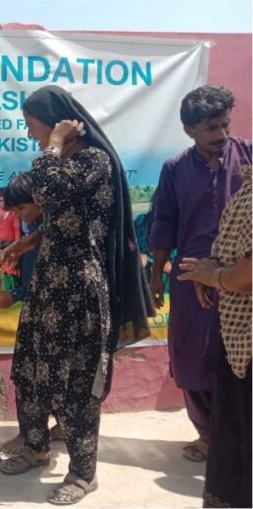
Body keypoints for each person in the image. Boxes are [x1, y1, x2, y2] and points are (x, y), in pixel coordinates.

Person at [0, 85, 153, 505]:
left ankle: (84, 474)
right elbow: (65, 217)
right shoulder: (68, 163)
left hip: (80, 289)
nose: (32, 136)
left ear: (58, 121)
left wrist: (54, 142)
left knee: (78, 381)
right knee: (30, 367)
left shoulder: (93, 160)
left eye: (34, 127)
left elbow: (48, 191)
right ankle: (35, 446)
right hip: (49, 284)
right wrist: (29, 242)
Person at [149, 84, 251, 462]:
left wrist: (223, 272)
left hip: (241, 279)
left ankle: (237, 436)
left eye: (225, 125)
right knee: (192, 355)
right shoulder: (175, 169)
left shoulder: (249, 158)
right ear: (189, 130)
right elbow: (163, 223)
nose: (221, 135)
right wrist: (156, 275)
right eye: (211, 128)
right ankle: (208, 434)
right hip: (192, 278)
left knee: (239, 356)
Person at [177, 164, 252, 508]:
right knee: (231, 440)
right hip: (238, 337)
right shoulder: (244, 192)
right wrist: (211, 272)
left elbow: (248, 274)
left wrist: (217, 276)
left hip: (246, 339)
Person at [0, 173, 63, 455]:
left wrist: (14, 296)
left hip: (49, 317)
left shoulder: (48, 234)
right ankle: (38, 431)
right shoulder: (33, 230)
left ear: (41, 201)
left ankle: (34, 436)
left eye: (22, 208)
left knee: (34, 375)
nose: (19, 215)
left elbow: (41, 283)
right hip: (37, 313)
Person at [0, 196, 21, 290]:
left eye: (5, 200)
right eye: (1, 200)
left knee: (12, 266)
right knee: (3, 268)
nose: (3, 202)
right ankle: (7, 291)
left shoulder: (13, 214)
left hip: (10, 244)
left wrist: (17, 245)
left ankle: (14, 290)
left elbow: (17, 230)